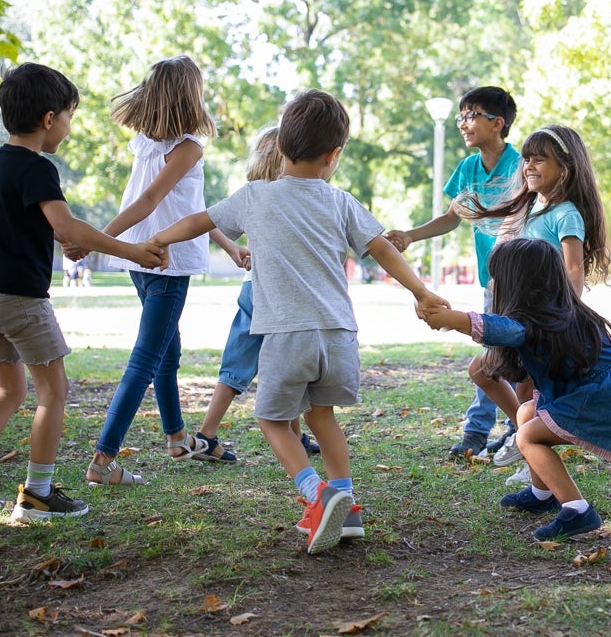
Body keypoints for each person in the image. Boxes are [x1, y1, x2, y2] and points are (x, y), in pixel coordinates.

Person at [151, 89, 448, 554]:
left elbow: (198, 222)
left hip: (287, 335)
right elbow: (383, 249)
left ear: (279, 147)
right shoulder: (341, 201)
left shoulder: (255, 196)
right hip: (339, 335)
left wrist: (159, 239)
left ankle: (318, 493)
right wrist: (422, 292)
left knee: (271, 420)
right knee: (322, 417)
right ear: (334, 155)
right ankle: (347, 508)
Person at [0, 62, 165, 527]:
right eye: (69, 115)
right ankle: (37, 495)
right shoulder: (38, 168)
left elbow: (38, 229)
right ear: (48, 119)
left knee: (7, 390)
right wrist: (132, 251)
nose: (68, 125)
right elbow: (66, 227)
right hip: (19, 301)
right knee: (53, 392)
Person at [69, 56, 244, 488]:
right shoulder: (187, 147)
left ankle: (177, 439)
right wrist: (95, 239)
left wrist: (228, 245)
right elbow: (148, 202)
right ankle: (103, 459)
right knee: (147, 357)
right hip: (167, 261)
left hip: (141, 259)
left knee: (168, 351)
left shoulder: (147, 143)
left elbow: (191, 208)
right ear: (191, 95)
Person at [421, 238, 611, 541]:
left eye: (496, 278)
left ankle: (578, 510)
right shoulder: (558, 313)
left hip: (605, 399)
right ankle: (542, 494)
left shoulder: (536, 321)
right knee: (526, 414)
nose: (492, 285)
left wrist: (454, 320)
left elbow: (502, 329)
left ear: (517, 284)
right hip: (609, 394)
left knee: (527, 436)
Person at [458, 124, 611, 479]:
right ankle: (522, 434)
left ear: (565, 168)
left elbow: (573, 268)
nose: (529, 165)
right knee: (482, 371)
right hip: (517, 317)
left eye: (540, 159)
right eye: (527, 159)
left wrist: (567, 316)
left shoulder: (566, 214)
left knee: (527, 388)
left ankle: (533, 461)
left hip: (545, 321)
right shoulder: (527, 208)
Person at [385, 86, 522, 460]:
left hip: (522, 282)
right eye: (461, 116)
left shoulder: (521, 165)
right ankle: (514, 428)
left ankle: (484, 431)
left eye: (471, 115)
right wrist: (410, 235)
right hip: (491, 282)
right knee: (496, 355)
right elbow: (451, 218)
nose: (463, 123)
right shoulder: (468, 169)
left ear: (497, 123)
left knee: (498, 357)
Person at [191, 125, 320, 465]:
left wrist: (234, 247)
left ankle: (208, 433)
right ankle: (211, 435)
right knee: (288, 360)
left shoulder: (253, 194)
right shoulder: (292, 196)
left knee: (241, 361)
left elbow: (208, 219)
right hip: (278, 293)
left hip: (252, 288)